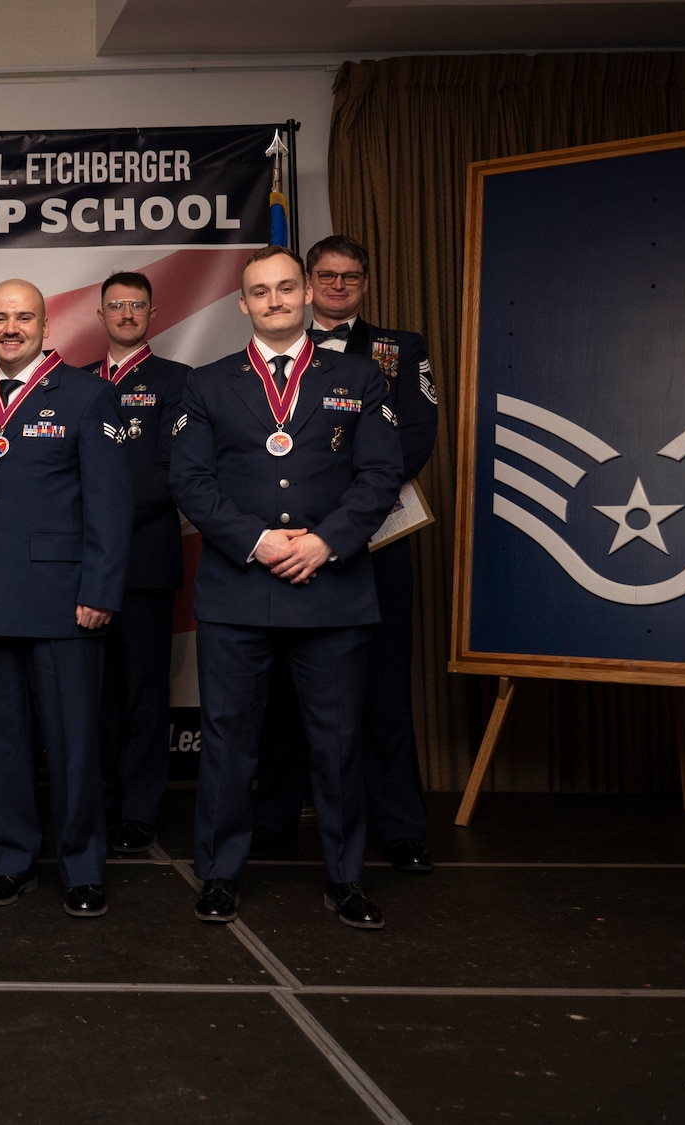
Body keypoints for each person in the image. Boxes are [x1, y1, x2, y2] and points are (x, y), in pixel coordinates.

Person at [170, 245, 402, 931]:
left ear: (305, 294)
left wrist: (326, 542)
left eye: (284, 287)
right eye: (259, 291)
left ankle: (346, 878)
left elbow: (380, 476)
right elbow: (191, 482)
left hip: (332, 588)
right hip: (238, 588)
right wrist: (258, 541)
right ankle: (219, 873)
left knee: (337, 743)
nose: (273, 300)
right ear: (242, 303)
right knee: (228, 741)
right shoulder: (206, 384)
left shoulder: (361, 376)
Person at [249, 237, 442, 875]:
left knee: (383, 685)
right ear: (307, 283)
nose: (337, 286)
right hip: (285, 544)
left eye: (349, 276)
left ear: (365, 282)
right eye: (326, 276)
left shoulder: (397, 349)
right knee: (281, 687)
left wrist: (338, 523)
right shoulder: (274, 352)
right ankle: (273, 818)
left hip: (369, 540)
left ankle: (400, 827)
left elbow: (413, 438)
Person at [0, 280, 130, 918]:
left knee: (73, 745)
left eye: (23, 317)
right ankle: (11, 860)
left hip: (63, 602)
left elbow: (110, 504)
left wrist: (99, 589)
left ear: (46, 325)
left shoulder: (88, 395)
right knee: (2, 744)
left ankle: (82, 868)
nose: (10, 327)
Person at [85, 271, 193, 855]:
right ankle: (99, 801)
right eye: (117, 305)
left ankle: (140, 809)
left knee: (146, 691)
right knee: (94, 692)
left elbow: (172, 473)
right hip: (83, 567)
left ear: (153, 313)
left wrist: (98, 512)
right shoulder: (77, 382)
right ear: (100, 314)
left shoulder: (178, 382)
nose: (127, 314)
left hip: (145, 561)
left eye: (137, 305)